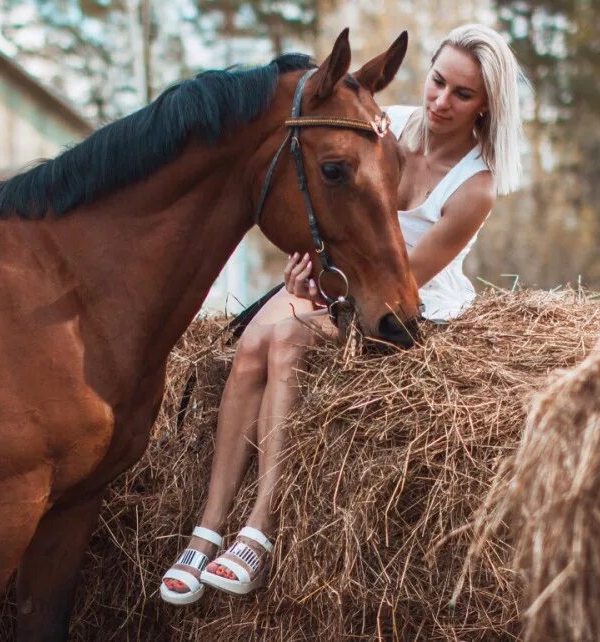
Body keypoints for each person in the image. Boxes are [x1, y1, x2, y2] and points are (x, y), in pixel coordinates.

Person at [159, 23, 526, 604]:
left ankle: (260, 530)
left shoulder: (474, 187)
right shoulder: (384, 123)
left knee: (285, 342)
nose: (440, 102)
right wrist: (301, 277)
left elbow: (404, 275)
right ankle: (206, 532)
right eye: (437, 82)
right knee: (252, 341)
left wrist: (316, 291)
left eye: (463, 94)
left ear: (486, 107)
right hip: (340, 274)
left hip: (403, 301)